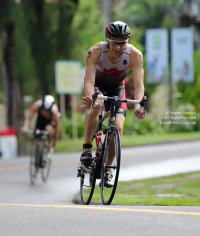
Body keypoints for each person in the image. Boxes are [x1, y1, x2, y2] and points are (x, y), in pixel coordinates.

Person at [80, 21, 145, 186]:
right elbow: (88, 81)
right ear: (107, 39)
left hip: (117, 87)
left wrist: (138, 106)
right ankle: (87, 149)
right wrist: (91, 97)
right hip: (97, 84)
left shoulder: (135, 55)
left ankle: (108, 169)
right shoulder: (95, 52)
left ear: (127, 42)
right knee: (96, 106)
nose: (118, 47)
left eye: (122, 43)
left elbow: (139, 86)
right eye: (115, 42)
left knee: (118, 125)